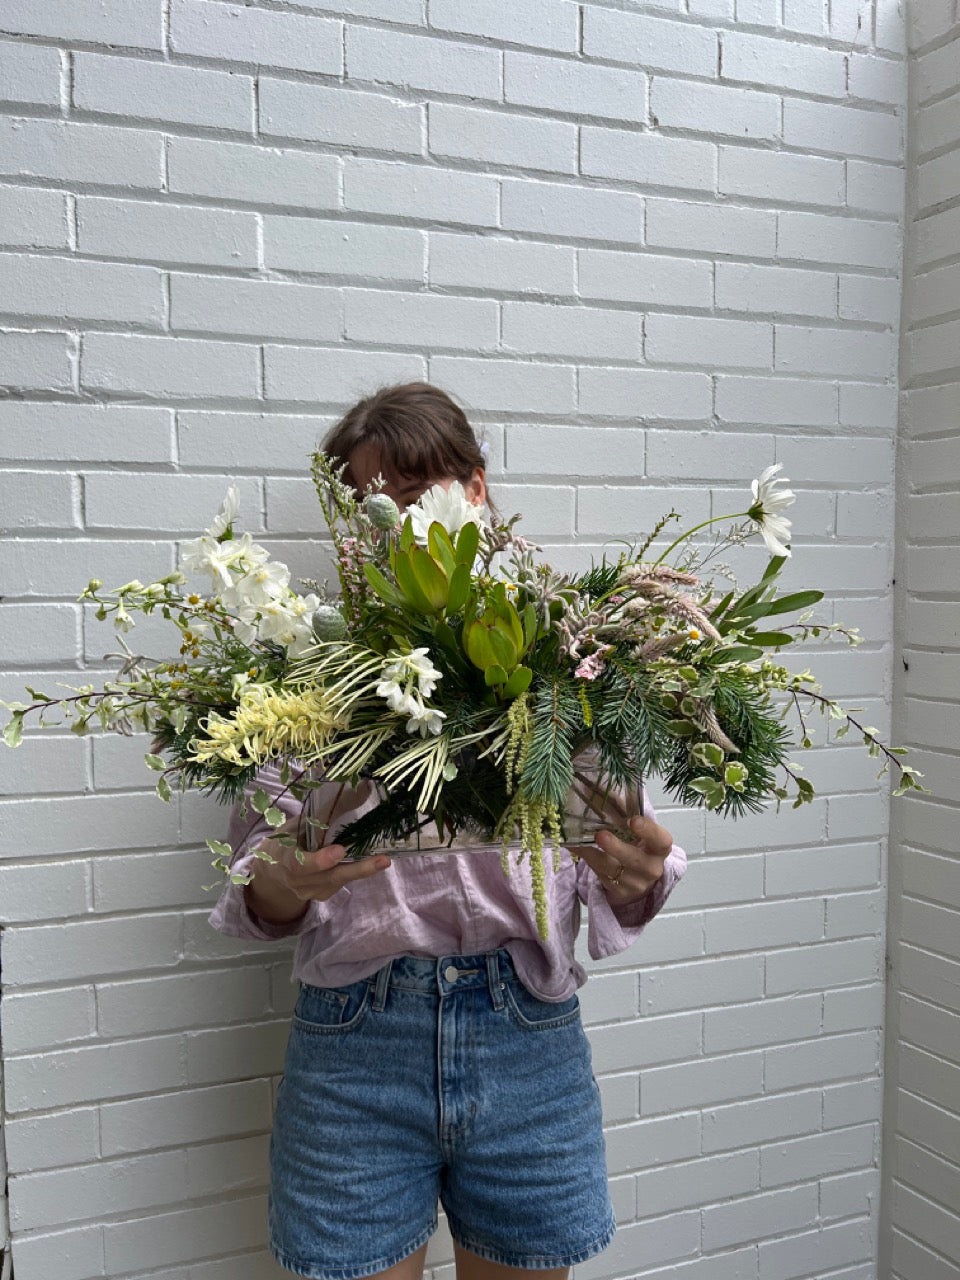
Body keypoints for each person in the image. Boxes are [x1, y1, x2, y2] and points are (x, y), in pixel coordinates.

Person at [208, 381, 688, 1280]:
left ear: (476, 487)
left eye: (419, 485)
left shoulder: (564, 657)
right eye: (372, 501)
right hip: (356, 1047)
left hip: (527, 1042)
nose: (397, 516)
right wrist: (285, 879)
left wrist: (639, 873)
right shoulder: (306, 679)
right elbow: (256, 882)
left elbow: (626, 855)